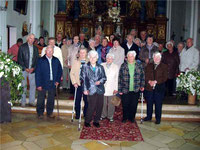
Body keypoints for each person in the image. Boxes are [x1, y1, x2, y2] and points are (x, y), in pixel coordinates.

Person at [81, 50, 106, 128]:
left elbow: (104, 78)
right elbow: (83, 79)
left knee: (100, 106)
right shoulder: (85, 66)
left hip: (100, 89)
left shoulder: (100, 67)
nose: (92, 59)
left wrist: (100, 81)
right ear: (89, 58)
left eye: (94, 57)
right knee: (91, 106)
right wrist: (85, 89)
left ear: (97, 58)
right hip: (91, 89)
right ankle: (87, 121)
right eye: (91, 57)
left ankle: (96, 121)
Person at [35, 45, 62, 119]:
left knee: (51, 98)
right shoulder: (40, 60)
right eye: (48, 51)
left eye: (51, 51)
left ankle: (49, 112)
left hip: (52, 82)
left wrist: (57, 80)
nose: (50, 52)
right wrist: (38, 84)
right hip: (42, 82)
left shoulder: (56, 60)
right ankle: (40, 113)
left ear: (53, 52)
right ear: (45, 51)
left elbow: (60, 71)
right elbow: (37, 73)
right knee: (41, 98)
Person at [118, 51, 145, 123]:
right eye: (129, 56)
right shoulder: (123, 65)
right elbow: (120, 78)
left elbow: (142, 76)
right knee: (125, 104)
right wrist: (120, 89)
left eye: (132, 56)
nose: (130, 58)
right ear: (127, 57)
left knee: (133, 105)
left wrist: (142, 85)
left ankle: (131, 117)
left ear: (134, 57)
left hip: (135, 88)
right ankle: (125, 117)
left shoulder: (139, 65)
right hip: (125, 88)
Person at [144, 52, 168, 124]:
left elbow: (165, 77)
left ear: (160, 58)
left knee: (158, 104)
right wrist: (149, 81)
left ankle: (158, 119)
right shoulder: (149, 65)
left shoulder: (164, 66)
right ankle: (149, 116)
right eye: (155, 57)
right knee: (149, 103)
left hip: (159, 87)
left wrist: (155, 82)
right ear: (153, 58)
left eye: (158, 57)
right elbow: (145, 75)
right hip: (149, 87)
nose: (156, 59)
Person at [17, 34, 39, 107]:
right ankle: (23, 101)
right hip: (24, 69)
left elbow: (37, 60)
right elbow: (19, 59)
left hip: (32, 70)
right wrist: (25, 68)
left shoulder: (35, 48)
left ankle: (31, 101)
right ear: (27, 39)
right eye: (30, 38)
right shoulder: (22, 47)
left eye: (33, 39)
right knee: (24, 85)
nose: (32, 40)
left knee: (33, 85)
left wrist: (33, 68)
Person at [70, 48, 88, 119]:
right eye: (81, 52)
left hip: (87, 85)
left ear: (86, 53)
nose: (82, 54)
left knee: (87, 101)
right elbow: (72, 73)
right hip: (78, 84)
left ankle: (86, 114)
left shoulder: (89, 62)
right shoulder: (75, 61)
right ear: (79, 53)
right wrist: (74, 82)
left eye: (84, 52)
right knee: (77, 100)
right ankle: (77, 114)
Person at [101, 53, 119, 122]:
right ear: (106, 58)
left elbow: (116, 78)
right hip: (103, 87)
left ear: (113, 60)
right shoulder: (102, 65)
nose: (109, 59)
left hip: (112, 87)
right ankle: (103, 115)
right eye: (108, 58)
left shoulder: (116, 67)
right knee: (103, 102)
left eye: (111, 58)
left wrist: (116, 88)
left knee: (112, 103)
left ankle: (110, 116)